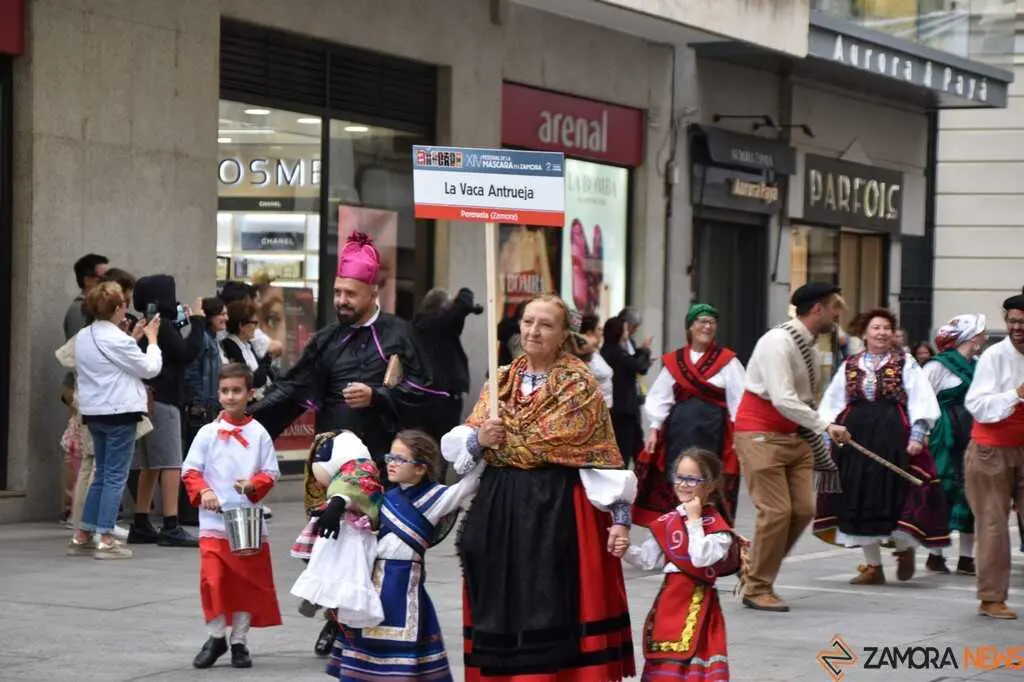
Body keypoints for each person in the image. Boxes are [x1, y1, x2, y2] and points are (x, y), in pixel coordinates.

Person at [249, 231, 433, 653]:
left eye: (351, 293)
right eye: (337, 292)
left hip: (385, 463)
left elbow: (430, 394)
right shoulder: (328, 339)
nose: (342, 301)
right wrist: (246, 421)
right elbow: (293, 390)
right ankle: (336, 621)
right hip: (331, 463)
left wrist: (379, 395)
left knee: (376, 548)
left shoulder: (400, 335)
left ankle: (371, 621)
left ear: (373, 290)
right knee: (331, 546)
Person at [442, 294, 637, 681]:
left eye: (546, 324)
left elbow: (600, 459)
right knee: (500, 597)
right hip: (500, 505)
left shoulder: (579, 386)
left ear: (565, 334)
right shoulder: (501, 380)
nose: (533, 331)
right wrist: (481, 439)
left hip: (555, 506)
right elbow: (463, 445)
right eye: (528, 321)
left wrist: (621, 517)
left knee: (547, 599)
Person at [329, 430, 483, 681]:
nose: (391, 463)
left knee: (404, 660)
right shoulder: (383, 496)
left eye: (400, 459)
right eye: (390, 457)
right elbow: (351, 494)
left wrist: (483, 447)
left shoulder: (437, 497)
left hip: (404, 585)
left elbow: (469, 484)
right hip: (371, 581)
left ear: (421, 469)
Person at [733, 282, 848, 612]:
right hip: (760, 435)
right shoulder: (777, 342)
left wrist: (819, 425)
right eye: (835, 308)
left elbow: (802, 399)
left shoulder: (808, 346)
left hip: (793, 437)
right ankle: (757, 586)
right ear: (818, 310)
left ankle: (756, 572)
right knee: (777, 511)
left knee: (802, 510)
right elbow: (782, 398)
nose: (838, 315)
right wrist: (825, 425)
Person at [812, 309, 946, 585]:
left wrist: (917, 435)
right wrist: (827, 437)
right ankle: (874, 566)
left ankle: (904, 549)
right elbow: (833, 403)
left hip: (893, 435)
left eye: (886, 328)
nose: (882, 333)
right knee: (859, 498)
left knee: (896, 494)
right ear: (864, 333)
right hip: (856, 439)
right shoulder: (850, 364)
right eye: (876, 328)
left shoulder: (904, 362)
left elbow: (921, 397)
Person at [182, 363, 282, 669]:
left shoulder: (259, 434)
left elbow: (271, 472)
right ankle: (215, 637)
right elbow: (190, 471)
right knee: (212, 581)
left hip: (246, 523)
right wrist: (205, 493)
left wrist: (254, 485)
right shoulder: (207, 433)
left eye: (236, 391)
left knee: (245, 583)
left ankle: (239, 641)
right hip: (213, 524)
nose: (229, 397)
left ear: (249, 394)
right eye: (224, 391)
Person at [623, 448, 739, 682]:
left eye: (692, 479)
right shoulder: (669, 520)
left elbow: (700, 558)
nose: (684, 484)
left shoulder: (717, 528)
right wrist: (623, 549)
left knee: (692, 664)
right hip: (669, 603)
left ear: (711, 485)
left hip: (699, 606)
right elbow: (647, 559)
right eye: (680, 477)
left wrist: (694, 521)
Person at [67, 282, 162, 559]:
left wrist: (132, 337)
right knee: (114, 477)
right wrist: (152, 341)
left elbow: (111, 362)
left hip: (94, 412)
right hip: (120, 412)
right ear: (118, 307)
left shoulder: (84, 336)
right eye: (123, 305)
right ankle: (106, 538)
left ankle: (83, 534)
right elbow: (149, 368)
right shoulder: (116, 339)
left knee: (102, 473)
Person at [639, 302, 745, 525]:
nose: (707, 326)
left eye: (712, 322)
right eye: (702, 321)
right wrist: (654, 429)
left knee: (708, 480)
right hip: (679, 433)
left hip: (713, 433)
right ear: (690, 327)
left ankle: (706, 529)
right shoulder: (674, 361)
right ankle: (676, 530)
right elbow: (660, 397)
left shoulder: (728, 362)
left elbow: (739, 400)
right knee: (678, 478)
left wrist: (739, 435)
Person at [129, 275, 205, 548]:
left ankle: (141, 522)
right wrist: (197, 320)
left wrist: (185, 321)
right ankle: (171, 524)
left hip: (147, 400)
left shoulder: (150, 324)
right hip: (165, 401)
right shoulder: (163, 327)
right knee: (172, 463)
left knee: (150, 465)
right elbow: (186, 352)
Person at [963, 292, 1024, 619]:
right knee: (993, 525)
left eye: (1023, 322)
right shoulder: (993, 357)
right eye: (1012, 321)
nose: (1017, 328)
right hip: (991, 452)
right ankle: (991, 597)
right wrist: (1015, 395)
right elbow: (978, 405)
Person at [290, 430, 385, 627]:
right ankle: (318, 598)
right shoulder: (345, 475)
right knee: (323, 562)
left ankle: (333, 611)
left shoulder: (361, 470)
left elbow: (354, 488)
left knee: (350, 572)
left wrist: (338, 502)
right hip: (335, 533)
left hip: (354, 534)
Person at [923, 314, 987, 576]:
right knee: (944, 489)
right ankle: (935, 554)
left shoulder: (980, 364)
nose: (984, 337)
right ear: (972, 338)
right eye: (982, 333)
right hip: (944, 435)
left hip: (972, 432)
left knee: (972, 492)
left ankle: (966, 557)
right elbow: (922, 401)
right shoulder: (936, 367)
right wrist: (921, 434)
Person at [412, 287, 483, 471]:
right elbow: (460, 307)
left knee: (425, 450)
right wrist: (464, 296)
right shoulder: (436, 324)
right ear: (443, 308)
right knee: (438, 451)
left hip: (429, 397)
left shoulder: (421, 326)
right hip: (442, 400)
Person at [602, 315, 652, 468]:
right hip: (622, 408)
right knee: (622, 450)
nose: (627, 332)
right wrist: (644, 351)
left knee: (632, 445)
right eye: (624, 329)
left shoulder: (613, 350)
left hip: (621, 407)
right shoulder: (615, 352)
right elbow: (637, 366)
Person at [221, 300, 274, 400]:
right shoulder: (230, 346)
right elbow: (252, 381)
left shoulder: (247, 344)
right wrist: (266, 362)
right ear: (241, 325)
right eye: (254, 323)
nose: (256, 327)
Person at [579, 313, 613, 408]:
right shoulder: (584, 354)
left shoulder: (596, 352)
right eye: (599, 329)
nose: (602, 332)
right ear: (590, 332)